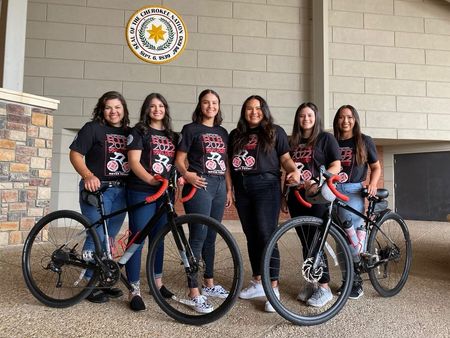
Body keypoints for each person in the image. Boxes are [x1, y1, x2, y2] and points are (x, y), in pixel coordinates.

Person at [229, 95, 300, 313]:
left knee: (267, 236)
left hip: (266, 186)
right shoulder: (235, 134)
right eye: (249, 108)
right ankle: (259, 282)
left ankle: (273, 289)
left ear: (264, 110)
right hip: (243, 188)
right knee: (252, 236)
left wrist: (293, 169)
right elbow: (228, 166)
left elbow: (285, 158)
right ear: (244, 112)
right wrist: (230, 189)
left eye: (258, 108)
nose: (253, 112)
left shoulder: (275, 131)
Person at [175, 89, 233, 314]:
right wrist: (187, 174)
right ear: (200, 105)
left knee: (211, 235)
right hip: (199, 183)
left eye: (215, 103)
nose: (211, 106)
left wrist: (228, 188)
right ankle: (193, 291)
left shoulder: (223, 132)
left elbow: (226, 163)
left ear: (219, 106)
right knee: (198, 236)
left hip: (218, 184)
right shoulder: (191, 129)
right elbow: (180, 159)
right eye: (206, 102)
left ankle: (209, 283)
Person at [69, 91, 130, 303]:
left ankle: (102, 279)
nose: (113, 112)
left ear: (124, 110)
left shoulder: (129, 132)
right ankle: (89, 283)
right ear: (102, 110)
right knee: (97, 235)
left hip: (121, 191)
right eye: (108, 107)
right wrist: (87, 175)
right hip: (96, 189)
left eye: (117, 107)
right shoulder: (92, 128)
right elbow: (75, 154)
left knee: (109, 238)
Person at [282, 102, 341, 308]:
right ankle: (312, 282)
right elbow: (289, 170)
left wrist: (321, 180)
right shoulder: (293, 141)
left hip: (316, 197)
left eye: (309, 115)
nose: (305, 119)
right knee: (305, 242)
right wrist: (284, 195)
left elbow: (336, 163)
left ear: (315, 117)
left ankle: (324, 287)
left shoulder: (326, 138)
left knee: (316, 241)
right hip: (296, 196)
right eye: (301, 116)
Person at [125, 93, 178, 311]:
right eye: (152, 106)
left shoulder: (173, 136)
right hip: (142, 191)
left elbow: (175, 163)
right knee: (138, 237)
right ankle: (134, 288)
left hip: (166, 193)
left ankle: (157, 283)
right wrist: (151, 180)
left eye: (161, 106)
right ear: (147, 109)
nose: (157, 109)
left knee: (160, 238)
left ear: (166, 109)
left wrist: (177, 178)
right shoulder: (138, 131)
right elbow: (134, 162)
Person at [333, 104, 381, 300]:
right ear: (337, 120)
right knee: (339, 239)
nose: (346, 121)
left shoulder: (364, 141)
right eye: (342, 117)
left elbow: (375, 167)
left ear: (355, 120)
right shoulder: (332, 141)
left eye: (350, 117)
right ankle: (347, 279)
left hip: (353, 190)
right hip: (333, 190)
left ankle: (356, 282)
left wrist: (373, 184)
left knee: (352, 238)